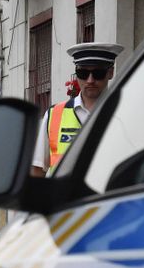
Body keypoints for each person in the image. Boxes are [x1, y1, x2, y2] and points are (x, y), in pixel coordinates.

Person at [31, 42, 124, 177]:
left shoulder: (124, 112)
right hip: (64, 197)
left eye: (98, 73)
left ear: (110, 73)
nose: (90, 80)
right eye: (83, 73)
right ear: (76, 73)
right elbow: (37, 170)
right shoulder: (54, 114)